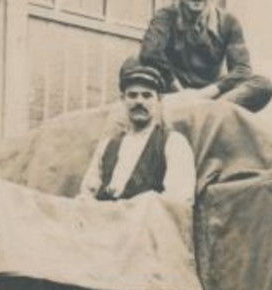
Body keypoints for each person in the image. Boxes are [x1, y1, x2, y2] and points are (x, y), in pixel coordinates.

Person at [137, 0, 272, 114]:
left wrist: (204, 94)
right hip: (174, 91)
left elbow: (242, 69)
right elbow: (150, 53)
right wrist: (181, 93)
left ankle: (210, 111)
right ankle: (205, 110)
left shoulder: (229, 22)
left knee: (262, 84)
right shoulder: (165, 16)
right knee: (133, 64)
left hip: (212, 94)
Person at [78, 62, 197, 208]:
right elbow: (87, 193)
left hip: (146, 224)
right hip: (105, 223)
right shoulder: (108, 145)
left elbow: (178, 201)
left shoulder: (173, 143)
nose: (139, 101)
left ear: (159, 100)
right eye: (132, 95)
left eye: (147, 96)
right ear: (123, 99)